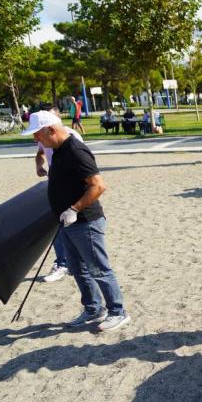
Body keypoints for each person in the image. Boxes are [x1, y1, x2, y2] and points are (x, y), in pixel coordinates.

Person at [22, 110, 130, 331]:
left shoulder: (75, 150)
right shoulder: (58, 149)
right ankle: (93, 309)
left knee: (98, 268)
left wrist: (74, 209)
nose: (36, 140)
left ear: (50, 130)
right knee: (77, 268)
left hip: (85, 221)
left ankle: (118, 312)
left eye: (38, 135)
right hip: (67, 222)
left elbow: (98, 185)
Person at [35, 104, 84, 283]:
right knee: (57, 226)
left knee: (75, 227)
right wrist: (39, 165)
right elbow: (40, 153)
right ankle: (63, 263)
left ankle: (74, 262)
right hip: (55, 186)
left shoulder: (73, 138)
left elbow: (86, 168)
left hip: (72, 189)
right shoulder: (43, 136)